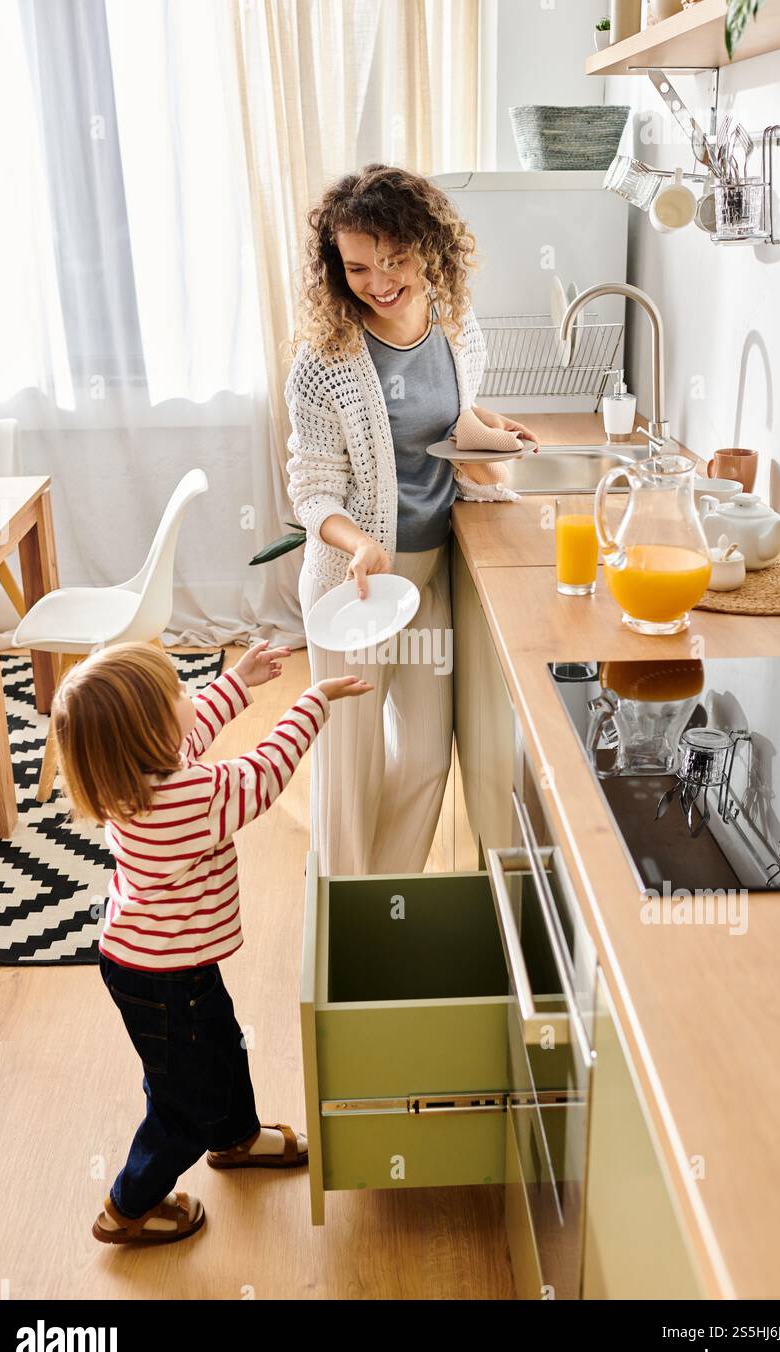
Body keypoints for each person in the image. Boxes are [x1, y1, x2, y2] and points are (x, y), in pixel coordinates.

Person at [52, 639, 370, 1244]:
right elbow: (266, 772)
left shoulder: (135, 775)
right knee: (181, 1103)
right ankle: (129, 1206)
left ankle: (235, 1136)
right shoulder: (187, 799)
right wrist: (313, 700)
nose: (187, 695)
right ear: (147, 735)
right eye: (175, 693)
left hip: (162, 962)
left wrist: (239, 683)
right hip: (163, 976)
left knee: (220, 1048)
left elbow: (190, 736)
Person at [286, 163, 538, 876]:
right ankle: (342, 921)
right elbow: (312, 488)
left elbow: (447, 422)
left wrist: (487, 426)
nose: (379, 280)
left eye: (395, 260)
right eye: (359, 266)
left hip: (430, 577)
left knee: (427, 757)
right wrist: (359, 540)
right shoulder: (325, 362)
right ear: (337, 269)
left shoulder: (457, 330)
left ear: (430, 248)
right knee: (349, 766)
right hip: (355, 587)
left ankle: (386, 900)